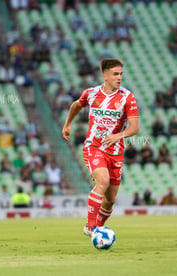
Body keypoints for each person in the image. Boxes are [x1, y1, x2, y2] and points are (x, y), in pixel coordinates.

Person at [62, 59, 139, 237]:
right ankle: (91, 227)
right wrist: (67, 125)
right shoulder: (91, 93)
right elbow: (76, 105)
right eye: (115, 74)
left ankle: (98, 226)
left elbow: (135, 128)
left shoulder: (127, 97)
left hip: (116, 152)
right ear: (104, 75)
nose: (119, 77)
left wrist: (117, 136)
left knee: (110, 201)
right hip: (94, 147)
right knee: (102, 181)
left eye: (121, 74)